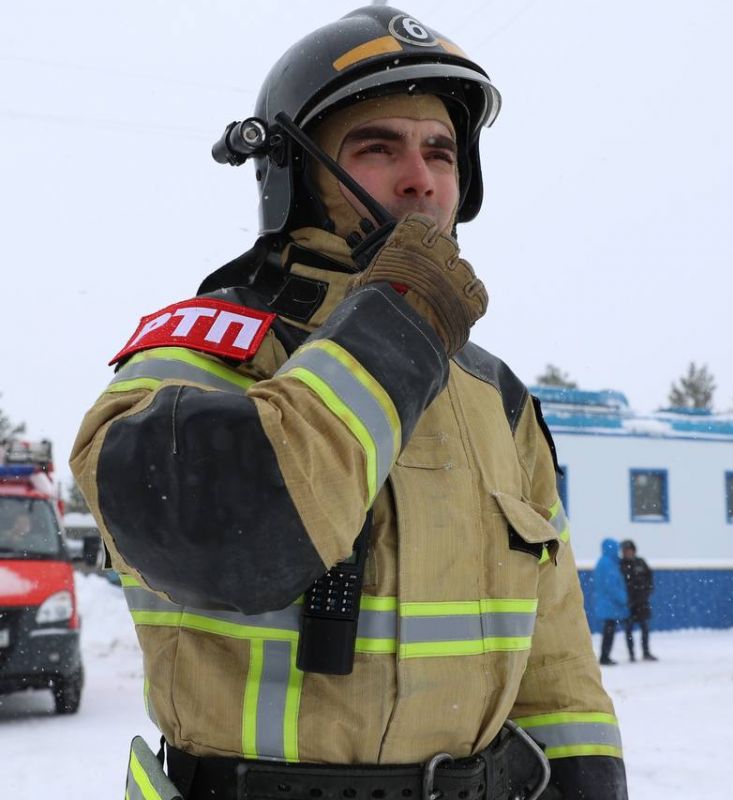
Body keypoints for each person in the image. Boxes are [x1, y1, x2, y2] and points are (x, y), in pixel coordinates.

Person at [70, 8, 626, 799]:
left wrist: (589, 782)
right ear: (294, 173)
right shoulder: (198, 356)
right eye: (377, 148)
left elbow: (557, 660)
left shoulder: (496, 398)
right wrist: (396, 325)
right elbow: (231, 541)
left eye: (440, 151)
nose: (419, 177)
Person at [619, 540, 656, 662]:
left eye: (629, 550)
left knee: (645, 628)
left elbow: (649, 578)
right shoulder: (621, 565)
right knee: (628, 630)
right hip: (629, 603)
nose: (627, 552)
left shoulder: (641, 562)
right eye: (625, 551)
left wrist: (647, 592)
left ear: (634, 550)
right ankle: (631, 654)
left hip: (642, 601)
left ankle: (646, 652)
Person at [593, 539, 629, 666]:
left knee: (609, 631)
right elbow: (612, 586)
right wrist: (623, 598)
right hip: (610, 604)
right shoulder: (608, 564)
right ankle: (605, 656)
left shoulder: (604, 562)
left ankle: (605, 655)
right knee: (609, 631)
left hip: (606, 603)